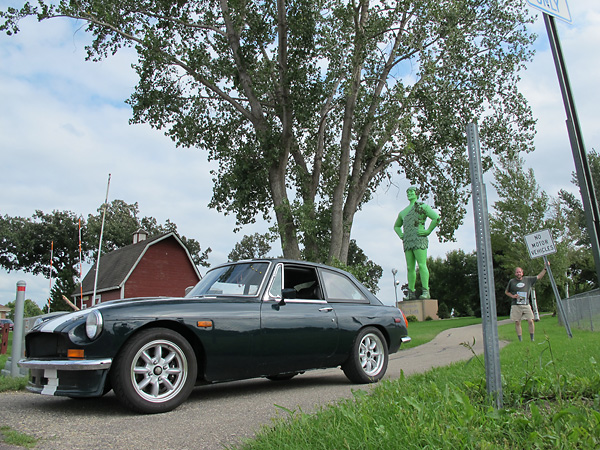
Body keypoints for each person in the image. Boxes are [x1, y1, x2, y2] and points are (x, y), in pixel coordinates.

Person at [394, 186, 440, 300]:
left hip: (419, 239)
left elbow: (436, 218)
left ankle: (426, 291)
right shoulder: (403, 212)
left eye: (411, 191)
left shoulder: (422, 206)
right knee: (410, 267)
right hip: (408, 241)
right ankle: (411, 292)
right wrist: (401, 234)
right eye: (407, 192)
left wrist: (427, 231)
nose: (409, 193)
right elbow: (396, 226)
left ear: (416, 194)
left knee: (422, 264)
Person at [504, 263, 548, 342]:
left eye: (520, 272)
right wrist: (513, 296)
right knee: (517, 322)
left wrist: (545, 269)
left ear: (522, 273)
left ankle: (532, 338)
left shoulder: (528, 280)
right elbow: (506, 292)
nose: (518, 273)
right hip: (516, 305)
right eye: (517, 272)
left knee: (530, 320)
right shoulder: (512, 281)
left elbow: (539, 277)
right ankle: (520, 339)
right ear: (515, 273)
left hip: (526, 304)